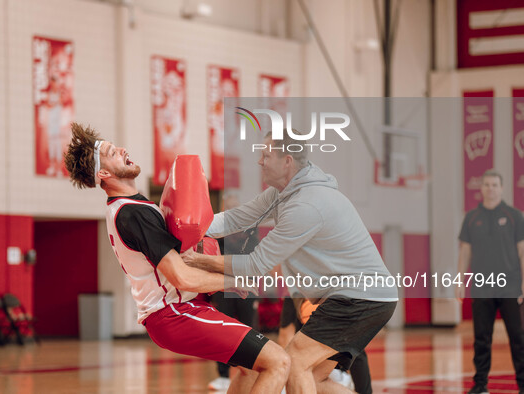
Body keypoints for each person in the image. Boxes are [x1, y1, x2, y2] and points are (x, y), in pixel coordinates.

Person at [63, 123, 290, 394]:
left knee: (251, 366)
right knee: (279, 362)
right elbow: (181, 276)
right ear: (104, 173)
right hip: (173, 313)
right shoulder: (134, 213)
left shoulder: (132, 207)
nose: (122, 149)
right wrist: (231, 280)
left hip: (178, 310)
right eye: (112, 152)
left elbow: (191, 249)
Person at [182, 130, 398, 393]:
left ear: (287, 161)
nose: (259, 161)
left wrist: (198, 260)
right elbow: (237, 218)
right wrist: (188, 227)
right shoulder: (281, 194)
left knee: (294, 364)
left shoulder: (306, 205)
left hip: (360, 297)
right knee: (313, 377)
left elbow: (255, 265)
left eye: (266, 155)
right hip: (355, 297)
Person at [456, 170, 524, 394]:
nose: (490, 188)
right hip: (482, 286)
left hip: (511, 285)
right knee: (481, 338)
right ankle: (480, 385)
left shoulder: (515, 216)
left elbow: (522, 251)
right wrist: (460, 280)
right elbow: (464, 251)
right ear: (481, 188)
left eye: (494, 184)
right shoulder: (471, 217)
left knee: (518, 337)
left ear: (501, 188)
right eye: (486, 184)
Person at [208, 192, 258, 392]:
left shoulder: (251, 229)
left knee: (249, 330)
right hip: (222, 286)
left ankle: (252, 370)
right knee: (222, 331)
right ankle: (222, 375)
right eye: (228, 206)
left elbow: (257, 254)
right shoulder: (216, 228)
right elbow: (211, 254)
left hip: (247, 285)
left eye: (235, 206)